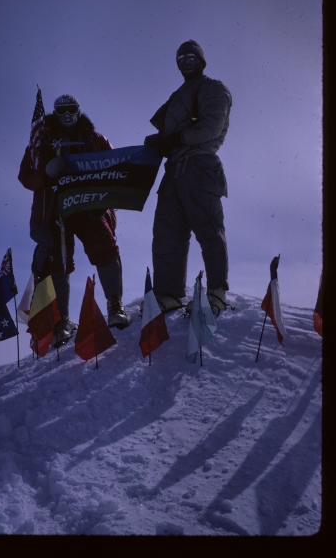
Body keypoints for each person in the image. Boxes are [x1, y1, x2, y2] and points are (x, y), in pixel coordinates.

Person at [19, 93, 129, 347]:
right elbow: (25, 176)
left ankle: (115, 305)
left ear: (79, 111)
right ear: (55, 113)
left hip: (89, 206)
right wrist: (46, 173)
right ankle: (61, 322)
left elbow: (113, 169)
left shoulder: (95, 139)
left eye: (72, 109)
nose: (67, 115)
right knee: (58, 262)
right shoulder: (41, 143)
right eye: (62, 110)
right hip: (55, 212)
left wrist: (103, 201)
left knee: (106, 248)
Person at [144, 40, 232, 315]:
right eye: (180, 57)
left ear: (202, 61)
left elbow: (210, 127)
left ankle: (216, 292)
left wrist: (175, 139)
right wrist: (159, 142)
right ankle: (168, 295)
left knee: (208, 229)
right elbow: (172, 135)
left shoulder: (212, 88)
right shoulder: (177, 96)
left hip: (200, 166)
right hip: (173, 172)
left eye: (191, 56)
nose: (185, 61)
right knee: (166, 236)